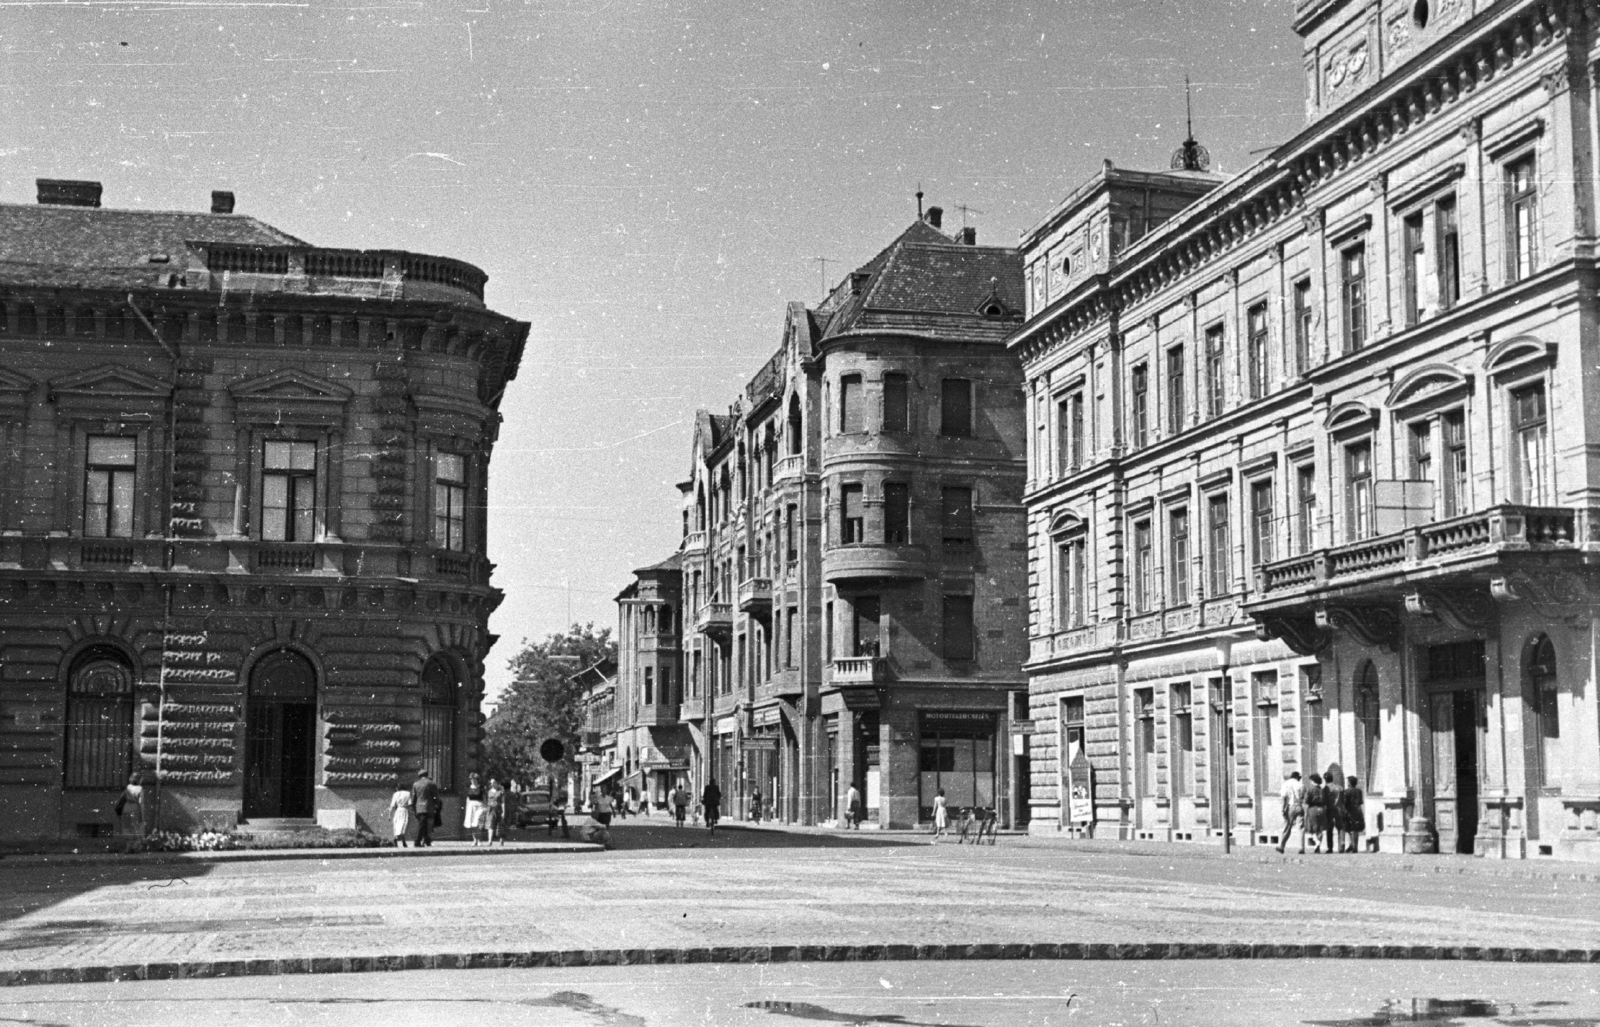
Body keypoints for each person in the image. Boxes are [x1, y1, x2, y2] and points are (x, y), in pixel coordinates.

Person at [113, 772, 149, 838]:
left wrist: (119, 812)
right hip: (135, 809)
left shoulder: (128, 788)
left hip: (126, 808)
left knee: (127, 828)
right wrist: (142, 817)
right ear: (139, 780)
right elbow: (141, 803)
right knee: (136, 829)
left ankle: (128, 846)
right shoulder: (140, 789)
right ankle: (136, 846)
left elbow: (122, 799)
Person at [1276, 771, 1305, 855]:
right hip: (1299, 806)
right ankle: (1301, 848)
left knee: (1287, 827)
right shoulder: (1301, 785)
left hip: (1290, 806)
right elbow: (1303, 796)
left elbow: (1284, 797)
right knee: (1301, 827)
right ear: (1297, 777)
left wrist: (1283, 809)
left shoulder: (1286, 784)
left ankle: (1282, 846)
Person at [412, 770, 440, 848]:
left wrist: (414, 808)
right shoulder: (431, 783)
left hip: (419, 807)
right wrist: (437, 805)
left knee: (423, 824)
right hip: (429, 806)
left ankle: (427, 841)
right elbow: (436, 796)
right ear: (427, 775)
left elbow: (413, 797)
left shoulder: (415, 784)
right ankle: (418, 841)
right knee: (426, 825)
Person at [1323, 766, 1345, 855]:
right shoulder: (1339, 787)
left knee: (1329, 829)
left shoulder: (1325, 789)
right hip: (1339, 809)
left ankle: (1330, 847)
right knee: (1340, 827)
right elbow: (1343, 799)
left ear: (1325, 779)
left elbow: (1324, 800)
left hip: (1329, 809)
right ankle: (1341, 844)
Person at [1303, 773, 1328, 853]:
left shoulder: (1310, 789)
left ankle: (1317, 842)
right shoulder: (1322, 789)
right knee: (1320, 829)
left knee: (1312, 828)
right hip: (1322, 809)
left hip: (1313, 808)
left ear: (1312, 781)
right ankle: (1318, 846)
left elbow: (1306, 800)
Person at [387, 777, 414, 847]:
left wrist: (389, 815)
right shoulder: (408, 793)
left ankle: (397, 838)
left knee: (397, 825)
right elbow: (410, 803)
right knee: (403, 825)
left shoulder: (395, 794)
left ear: (397, 788)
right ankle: (403, 842)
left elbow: (392, 805)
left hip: (398, 810)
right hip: (404, 810)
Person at [1342, 776, 1366, 853]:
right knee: (1355, 828)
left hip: (1349, 810)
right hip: (1357, 810)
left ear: (1349, 783)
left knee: (1349, 828)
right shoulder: (1359, 791)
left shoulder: (1346, 791)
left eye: (1347, 781)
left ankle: (1353, 845)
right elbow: (1360, 801)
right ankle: (1353, 844)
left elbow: (1344, 802)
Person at [464, 772, 486, 846]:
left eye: (474, 779)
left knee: (477, 823)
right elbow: (468, 798)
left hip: (480, 805)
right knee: (472, 824)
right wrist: (467, 807)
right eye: (471, 779)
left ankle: (479, 840)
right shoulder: (469, 788)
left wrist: (485, 807)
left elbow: (484, 798)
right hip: (471, 806)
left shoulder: (481, 788)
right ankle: (474, 840)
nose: (473, 780)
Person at [484, 777, 505, 846]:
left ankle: (501, 842)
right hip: (491, 810)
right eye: (491, 783)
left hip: (499, 809)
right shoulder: (489, 791)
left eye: (494, 782)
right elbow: (487, 801)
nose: (492, 784)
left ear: (497, 783)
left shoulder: (501, 791)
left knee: (500, 826)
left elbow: (503, 802)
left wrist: (503, 811)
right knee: (490, 825)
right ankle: (490, 841)